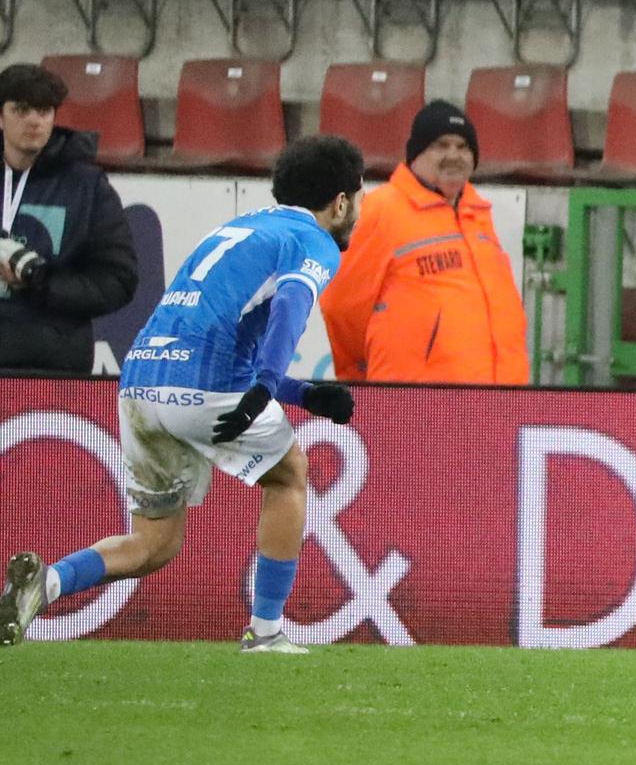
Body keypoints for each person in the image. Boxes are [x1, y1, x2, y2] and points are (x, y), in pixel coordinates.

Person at [0, 134, 363, 655]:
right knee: (289, 474)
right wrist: (267, 385)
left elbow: (212, 335)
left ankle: (48, 582)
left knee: (155, 543)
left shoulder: (237, 229)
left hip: (141, 382)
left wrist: (301, 394)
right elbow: (290, 304)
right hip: (203, 387)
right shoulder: (313, 241)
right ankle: (266, 633)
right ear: (341, 201)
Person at [316, 97, 529, 386]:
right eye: (441, 145)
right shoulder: (381, 210)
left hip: (498, 396)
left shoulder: (477, 215)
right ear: (416, 154)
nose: (454, 155)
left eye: (463, 147)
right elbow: (340, 305)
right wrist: (365, 375)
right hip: (415, 397)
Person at [0, 57, 135, 377]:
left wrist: (39, 280)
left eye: (44, 111)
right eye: (21, 110)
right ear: (1, 117)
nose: (34, 121)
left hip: (53, 363)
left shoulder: (87, 186)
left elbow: (118, 280)